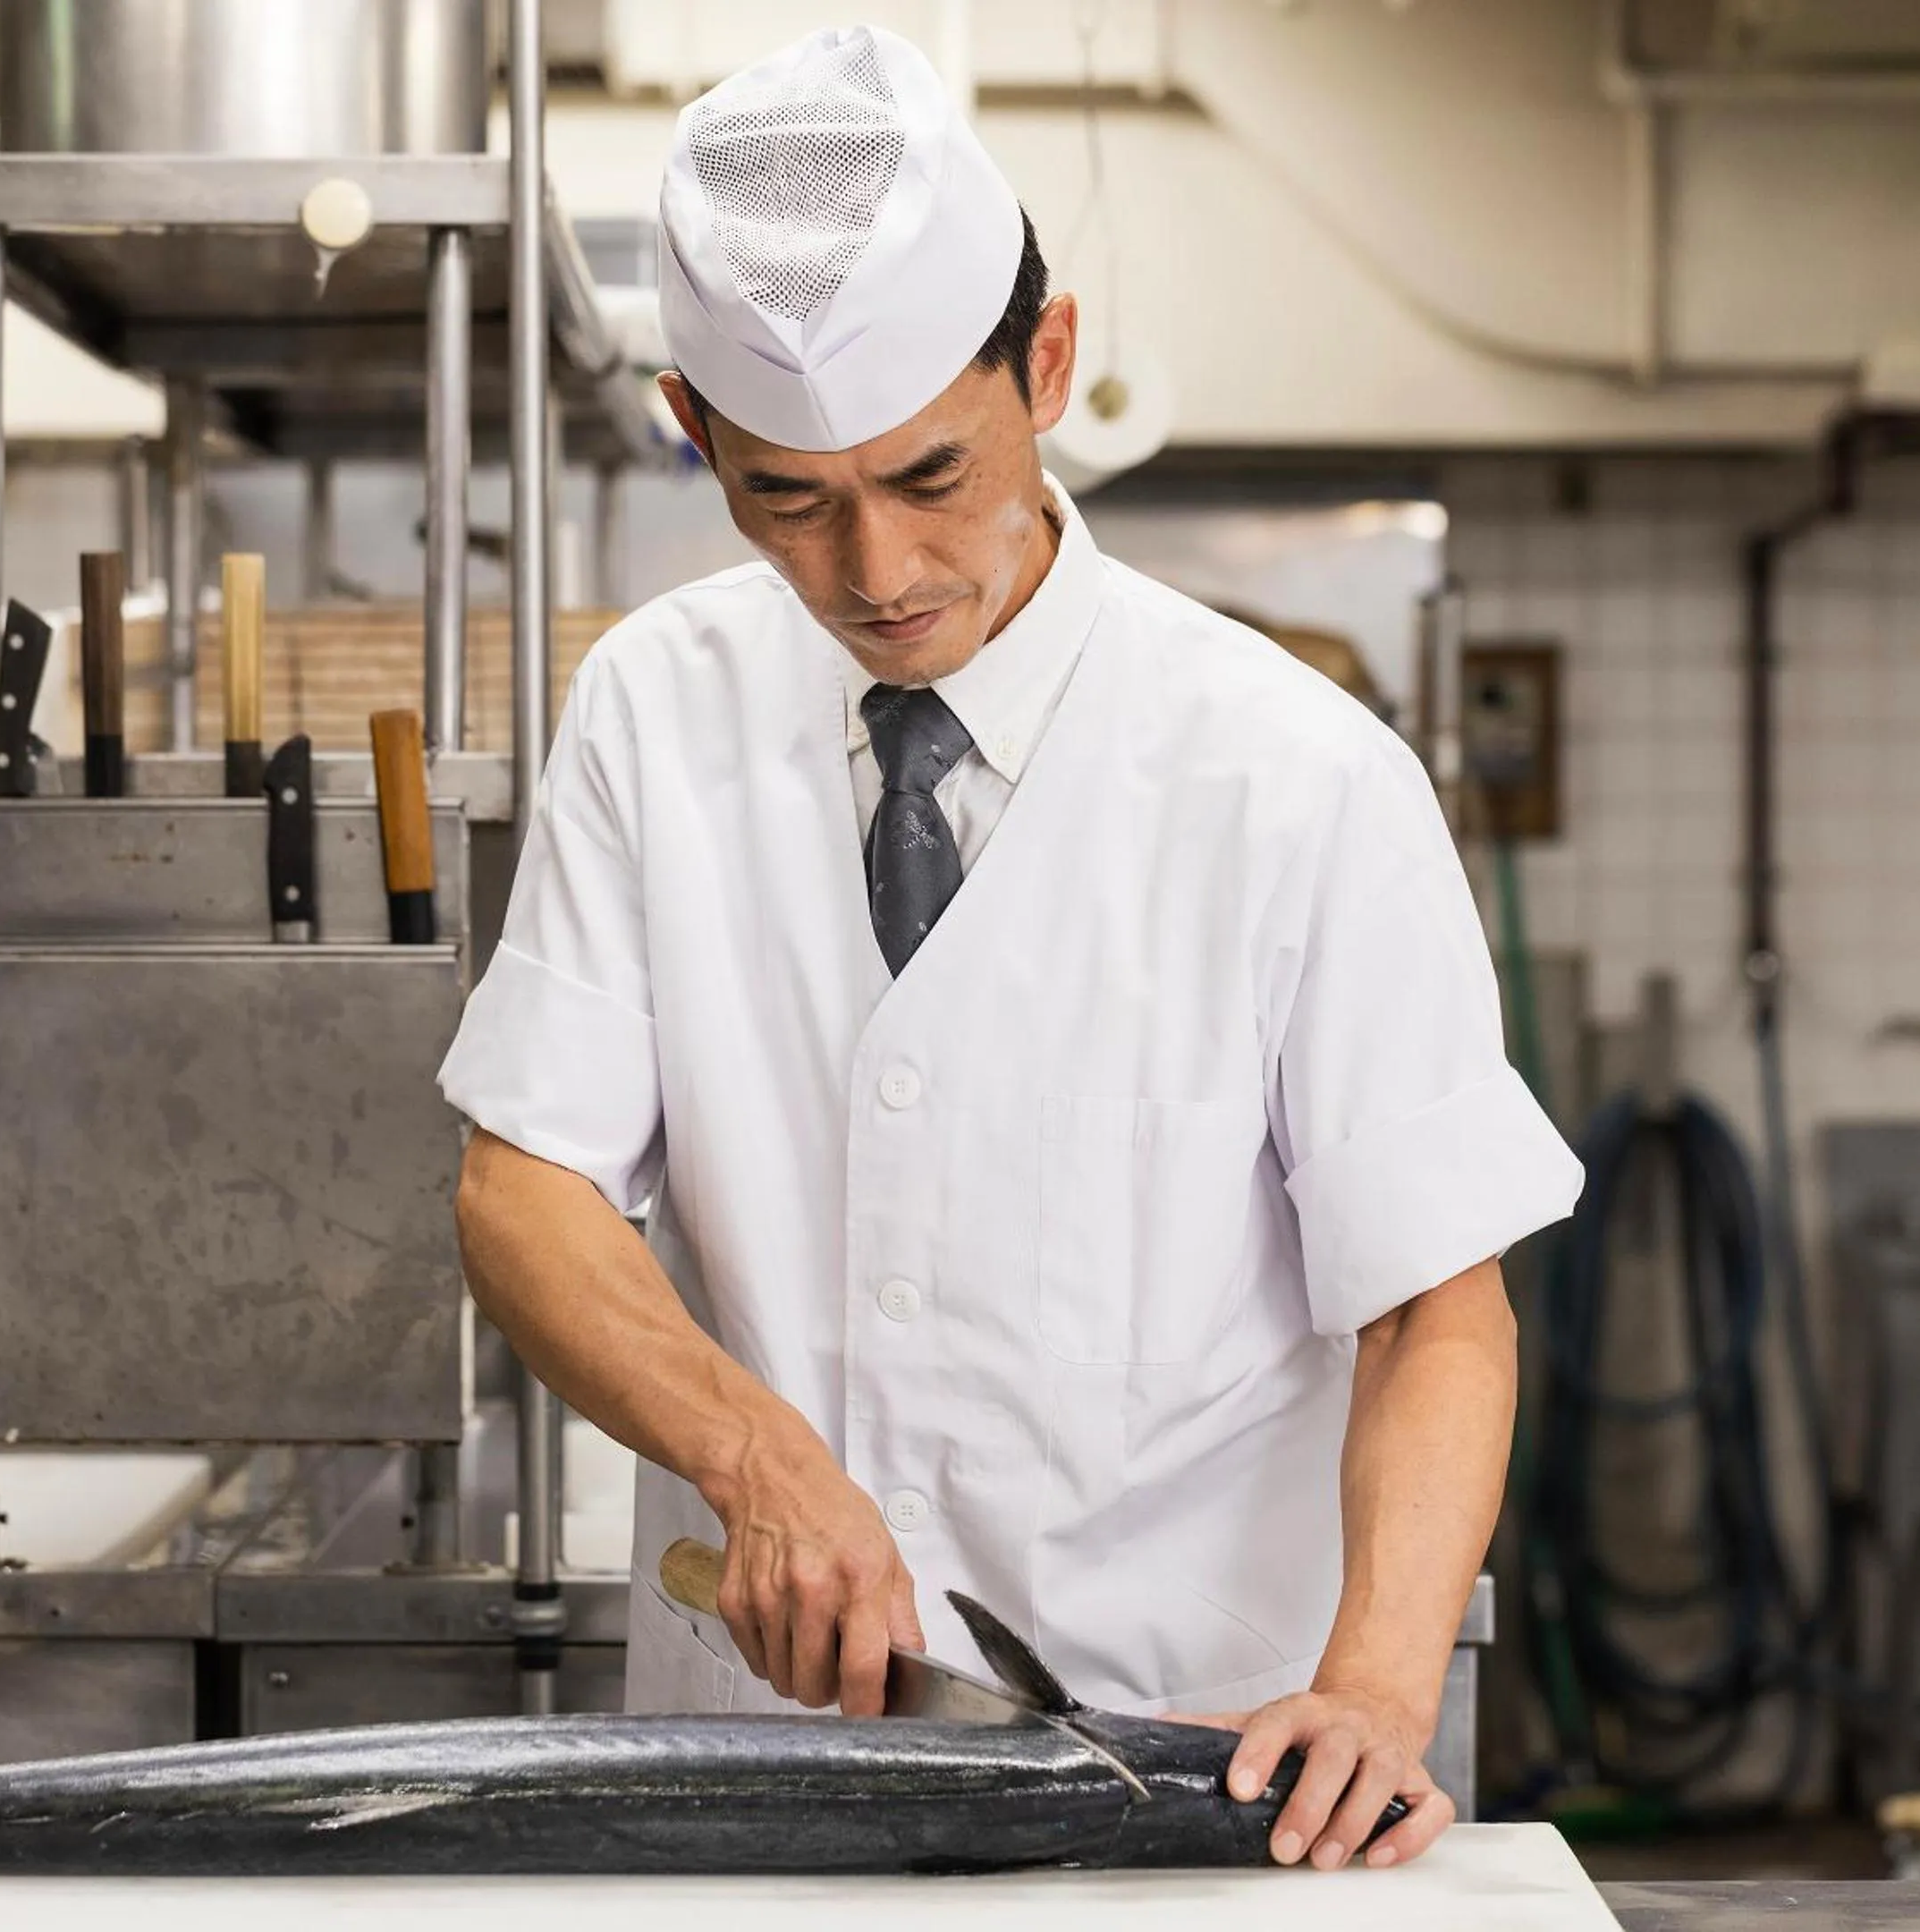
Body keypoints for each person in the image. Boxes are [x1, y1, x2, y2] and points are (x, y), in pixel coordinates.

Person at [442, 22, 1582, 1872]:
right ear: (692, 432)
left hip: (1194, 1760)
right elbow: (524, 1186)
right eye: (788, 499)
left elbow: (1434, 1309)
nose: (877, 572)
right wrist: (753, 1455)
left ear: (1047, 365)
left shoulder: (1299, 778)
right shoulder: (653, 708)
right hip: (764, 1759)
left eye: (931, 477)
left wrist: (1377, 1686)